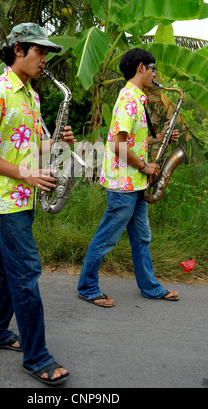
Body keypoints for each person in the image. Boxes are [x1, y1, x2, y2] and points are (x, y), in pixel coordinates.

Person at [0, 23, 74, 385]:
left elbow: (33, 147)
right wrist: (24, 175)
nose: (44, 59)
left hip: (24, 195)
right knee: (26, 270)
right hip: (4, 196)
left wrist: (59, 141)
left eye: (46, 54)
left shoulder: (31, 95)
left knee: (7, 267)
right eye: (40, 52)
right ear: (18, 50)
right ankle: (37, 356)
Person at [77, 47, 179, 307]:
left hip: (135, 183)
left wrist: (158, 138)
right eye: (153, 68)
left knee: (142, 238)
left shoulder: (138, 98)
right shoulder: (128, 99)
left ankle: (150, 287)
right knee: (106, 238)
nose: (155, 74)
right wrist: (145, 167)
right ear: (141, 68)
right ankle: (87, 286)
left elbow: (131, 139)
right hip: (124, 184)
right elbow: (116, 145)